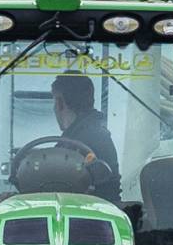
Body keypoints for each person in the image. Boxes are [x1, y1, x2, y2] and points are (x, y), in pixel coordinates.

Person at [49, 72, 121, 200]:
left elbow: (56, 185)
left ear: (59, 103)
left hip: (88, 213)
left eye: (54, 101)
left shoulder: (86, 139)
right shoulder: (88, 134)